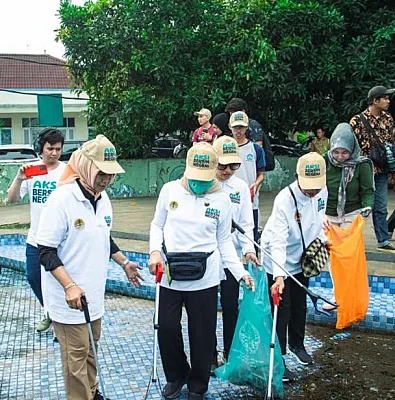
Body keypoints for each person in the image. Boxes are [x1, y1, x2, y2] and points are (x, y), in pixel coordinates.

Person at [36, 135, 143, 400]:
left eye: (110, 174)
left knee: (91, 351)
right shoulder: (61, 200)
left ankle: (92, 393)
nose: (106, 180)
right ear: (85, 167)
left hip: (94, 297)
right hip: (68, 300)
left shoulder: (103, 199)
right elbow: (45, 251)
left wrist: (125, 263)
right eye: (101, 173)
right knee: (75, 361)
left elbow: (103, 236)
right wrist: (69, 286)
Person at [148, 142, 255, 400]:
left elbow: (224, 242)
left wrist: (241, 273)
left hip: (205, 277)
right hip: (171, 272)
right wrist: (154, 251)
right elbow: (157, 225)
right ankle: (176, 375)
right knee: (167, 327)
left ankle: (198, 384)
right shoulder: (170, 190)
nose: (199, 183)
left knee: (203, 334)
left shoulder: (222, 198)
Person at [261, 152, 328, 382]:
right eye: (308, 186)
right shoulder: (284, 199)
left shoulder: (322, 191)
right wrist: (279, 276)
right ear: (297, 176)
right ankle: (278, 359)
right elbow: (278, 240)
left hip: (301, 259)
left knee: (299, 305)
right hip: (277, 259)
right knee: (282, 309)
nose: (312, 191)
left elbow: (318, 220)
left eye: (316, 187)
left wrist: (323, 242)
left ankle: (297, 344)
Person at [7, 128, 65, 333]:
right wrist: (20, 178)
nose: (54, 153)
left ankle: (61, 322)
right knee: (33, 277)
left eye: (58, 149)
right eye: (50, 148)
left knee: (59, 281)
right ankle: (50, 312)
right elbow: (11, 199)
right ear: (41, 148)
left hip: (60, 240)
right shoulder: (32, 170)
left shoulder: (66, 172)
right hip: (36, 238)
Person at [211, 136, 259, 369]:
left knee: (231, 305)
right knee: (206, 307)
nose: (228, 171)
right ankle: (209, 355)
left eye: (233, 166)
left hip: (232, 258)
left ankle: (230, 352)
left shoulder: (240, 187)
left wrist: (249, 249)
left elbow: (246, 223)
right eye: (222, 165)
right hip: (208, 257)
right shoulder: (202, 183)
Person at [323, 123, 374, 310]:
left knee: (349, 257)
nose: (340, 157)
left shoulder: (362, 165)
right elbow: (316, 188)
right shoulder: (324, 161)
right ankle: (338, 296)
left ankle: (352, 297)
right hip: (328, 215)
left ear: (352, 150)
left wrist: (367, 208)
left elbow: (368, 191)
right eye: (336, 152)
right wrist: (317, 212)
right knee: (334, 258)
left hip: (352, 213)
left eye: (344, 153)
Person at [350, 85, 395, 253]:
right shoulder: (357, 121)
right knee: (355, 207)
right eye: (385, 98)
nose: (388, 101)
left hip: (381, 170)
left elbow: (392, 142)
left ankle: (383, 240)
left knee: (381, 206)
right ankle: (351, 239)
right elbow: (352, 147)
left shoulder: (388, 119)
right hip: (362, 171)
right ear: (375, 100)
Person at [230, 111, 266, 250]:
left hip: (251, 202)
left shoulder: (255, 149)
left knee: (251, 239)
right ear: (230, 127)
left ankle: (252, 265)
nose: (238, 131)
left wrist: (256, 185)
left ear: (246, 128)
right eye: (235, 127)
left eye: (241, 127)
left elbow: (261, 174)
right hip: (229, 201)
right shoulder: (224, 147)